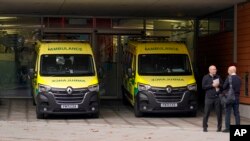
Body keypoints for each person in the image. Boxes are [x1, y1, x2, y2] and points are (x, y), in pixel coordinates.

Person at [202, 65, 223, 132]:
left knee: (219, 113)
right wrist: (212, 85)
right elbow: (203, 87)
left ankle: (219, 127)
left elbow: (222, 86)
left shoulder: (218, 77)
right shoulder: (205, 77)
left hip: (217, 97)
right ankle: (205, 127)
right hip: (209, 97)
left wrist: (218, 85)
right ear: (210, 70)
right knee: (206, 112)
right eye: (213, 69)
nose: (215, 70)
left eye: (215, 69)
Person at [222, 66, 241, 133]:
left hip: (229, 98)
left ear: (231, 71)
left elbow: (224, 87)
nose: (227, 71)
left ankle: (228, 128)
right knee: (237, 113)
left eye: (228, 70)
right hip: (237, 98)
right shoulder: (239, 78)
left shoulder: (229, 78)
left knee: (228, 113)